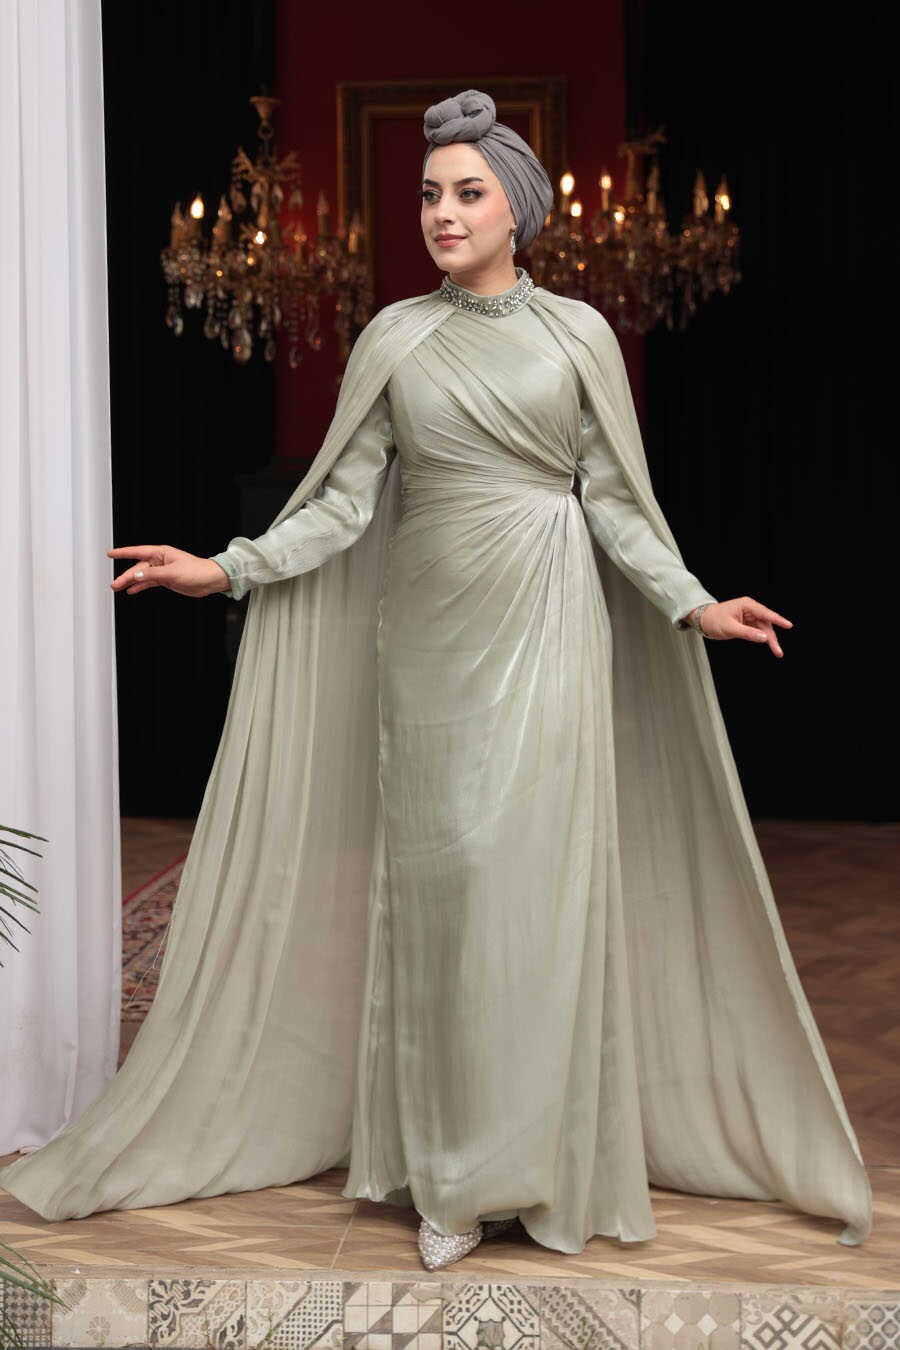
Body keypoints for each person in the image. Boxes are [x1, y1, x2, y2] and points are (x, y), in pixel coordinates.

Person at [0, 90, 871, 1270]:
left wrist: (694, 602)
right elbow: (342, 505)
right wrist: (226, 567)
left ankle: (546, 1170)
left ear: (520, 209)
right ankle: (454, 1178)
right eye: (428, 194)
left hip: (551, 625)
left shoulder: (578, 337)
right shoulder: (394, 340)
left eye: (468, 192)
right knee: (452, 899)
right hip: (428, 646)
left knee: (542, 896)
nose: (441, 213)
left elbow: (617, 502)